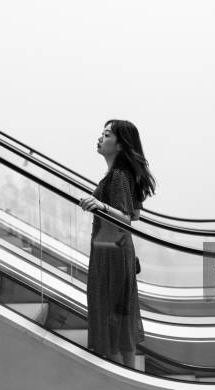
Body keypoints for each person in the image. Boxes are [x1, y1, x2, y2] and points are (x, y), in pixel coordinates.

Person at [79, 119, 156, 369]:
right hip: (115, 250)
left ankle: (120, 373)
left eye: (107, 134)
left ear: (121, 145)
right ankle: (127, 372)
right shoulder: (120, 176)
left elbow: (126, 218)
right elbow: (135, 213)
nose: (100, 138)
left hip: (110, 252)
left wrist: (101, 205)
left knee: (110, 315)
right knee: (119, 316)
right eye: (101, 133)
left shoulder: (118, 176)